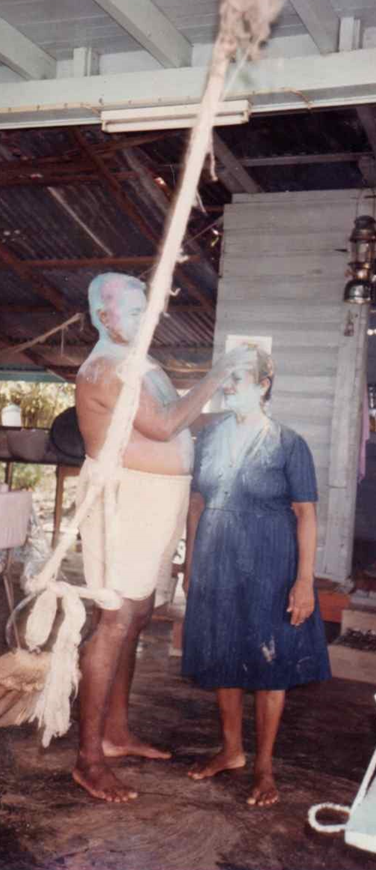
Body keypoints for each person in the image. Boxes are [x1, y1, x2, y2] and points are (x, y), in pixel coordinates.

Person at [74, 272, 255, 803]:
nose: (143, 319)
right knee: (115, 619)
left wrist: (235, 407)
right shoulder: (105, 369)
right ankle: (87, 759)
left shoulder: (141, 364)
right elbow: (165, 424)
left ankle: (116, 732)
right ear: (104, 318)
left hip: (157, 503)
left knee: (138, 615)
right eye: (131, 311)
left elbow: (181, 423)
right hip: (125, 500)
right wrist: (219, 370)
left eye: (145, 309)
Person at [182, 346, 331, 807]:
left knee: (271, 666)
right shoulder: (207, 439)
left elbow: (305, 515)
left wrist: (304, 581)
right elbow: (196, 505)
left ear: (264, 385)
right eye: (224, 378)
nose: (227, 387)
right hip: (217, 562)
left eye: (238, 379)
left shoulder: (289, 443)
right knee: (225, 653)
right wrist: (189, 566)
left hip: (271, 564)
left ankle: (264, 766)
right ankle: (231, 751)